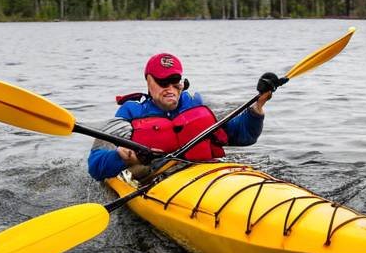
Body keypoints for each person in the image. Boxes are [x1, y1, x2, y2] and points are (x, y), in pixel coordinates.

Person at [87, 52, 279, 181]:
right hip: (157, 180)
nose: (170, 89)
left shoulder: (198, 105)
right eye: (163, 82)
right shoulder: (129, 113)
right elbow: (95, 166)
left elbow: (245, 136)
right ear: (149, 82)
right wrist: (121, 157)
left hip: (205, 174)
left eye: (175, 82)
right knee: (139, 170)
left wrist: (257, 108)